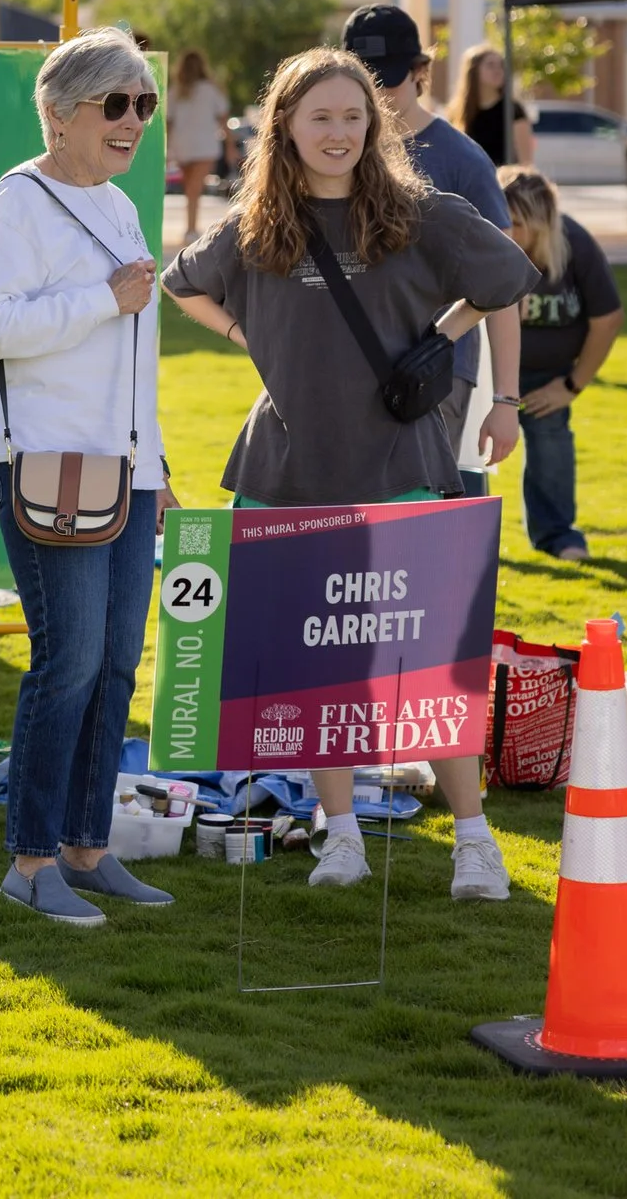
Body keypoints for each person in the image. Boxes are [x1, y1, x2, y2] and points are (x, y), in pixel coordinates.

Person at [164, 47, 538, 902]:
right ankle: (341, 838)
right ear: (284, 127)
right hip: (286, 466)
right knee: (311, 671)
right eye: (319, 117)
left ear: (375, 127)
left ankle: (475, 843)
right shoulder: (257, 224)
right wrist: (245, 338)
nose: (338, 133)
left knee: (428, 662)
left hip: (398, 464)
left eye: (353, 117)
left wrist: (442, 342)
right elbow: (185, 284)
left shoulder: (418, 212)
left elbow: (505, 279)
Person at [0, 28, 175, 929]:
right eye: (114, 104)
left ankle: (88, 847)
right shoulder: (15, 206)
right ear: (58, 112)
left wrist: (156, 465)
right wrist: (99, 300)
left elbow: (133, 356)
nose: (133, 123)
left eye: (145, 104)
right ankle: (31, 861)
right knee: (69, 661)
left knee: (118, 661)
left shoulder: (118, 205)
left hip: (121, 466)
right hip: (41, 461)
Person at [342, 5, 523, 500]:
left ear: (422, 72)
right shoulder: (334, 149)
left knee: (414, 528)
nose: (377, 97)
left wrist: (506, 400)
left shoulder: (463, 160)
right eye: (364, 82)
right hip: (341, 367)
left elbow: (504, 286)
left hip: (432, 375)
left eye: (389, 81)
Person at [500, 168, 623, 561]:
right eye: (504, 220)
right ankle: (460, 541)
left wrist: (571, 385)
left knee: (551, 445)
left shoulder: (574, 243)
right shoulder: (491, 242)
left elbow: (608, 318)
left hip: (548, 377)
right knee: (464, 453)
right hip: (488, 374)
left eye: (518, 224)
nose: (509, 231)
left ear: (543, 223)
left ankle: (558, 537)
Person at [165, 48, 236, 246]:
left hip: (182, 145)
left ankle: (190, 227)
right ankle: (191, 229)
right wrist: (230, 146)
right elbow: (224, 119)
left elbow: (168, 122)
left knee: (190, 188)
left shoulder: (175, 91)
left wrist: (168, 147)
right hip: (205, 145)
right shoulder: (211, 90)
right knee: (194, 188)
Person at [447, 45, 535, 168]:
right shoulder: (458, 110)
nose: (498, 70)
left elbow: (526, 162)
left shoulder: (513, 109)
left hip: (503, 184)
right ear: (473, 71)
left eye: (501, 65)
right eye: (490, 65)